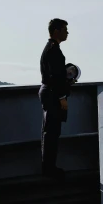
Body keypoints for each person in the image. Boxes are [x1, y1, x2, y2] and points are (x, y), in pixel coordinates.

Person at [39, 18, 70, 178]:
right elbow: (54, 77)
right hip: (52, 94)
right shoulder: (53, 50)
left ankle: (48, 167)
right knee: (51, 132)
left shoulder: (50, 48)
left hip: (48, 92)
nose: (67, 33)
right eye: (65, 29)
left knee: (49, 131)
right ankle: (49, 169)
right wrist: (62, 97)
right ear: (56, 31)